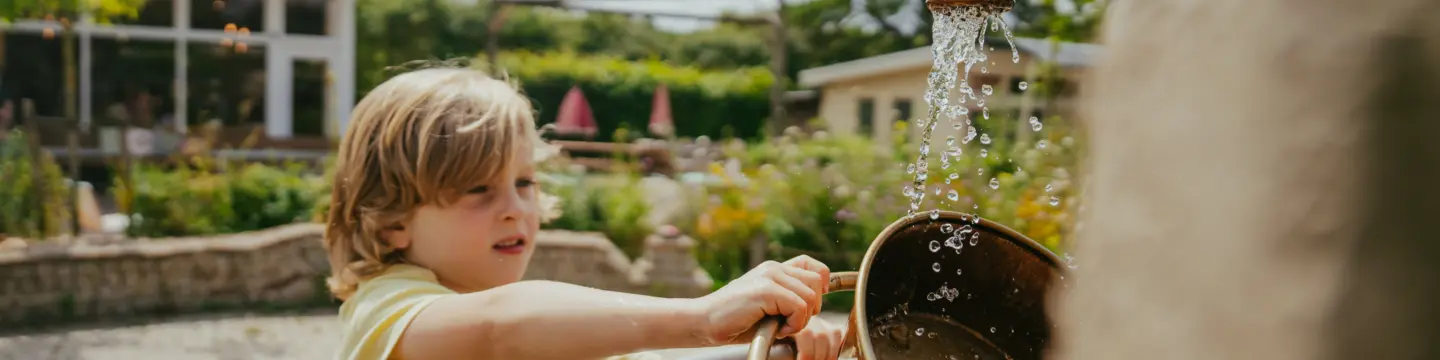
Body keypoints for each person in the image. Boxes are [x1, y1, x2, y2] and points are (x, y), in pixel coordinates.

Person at [325, 66, 847, 360]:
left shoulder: (547, 332)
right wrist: (700, 316)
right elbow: (498, 327)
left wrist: (780, 350)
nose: (514, 209)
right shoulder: (385, 307)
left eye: (524, 182)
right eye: (477, 189)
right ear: (391, 220)